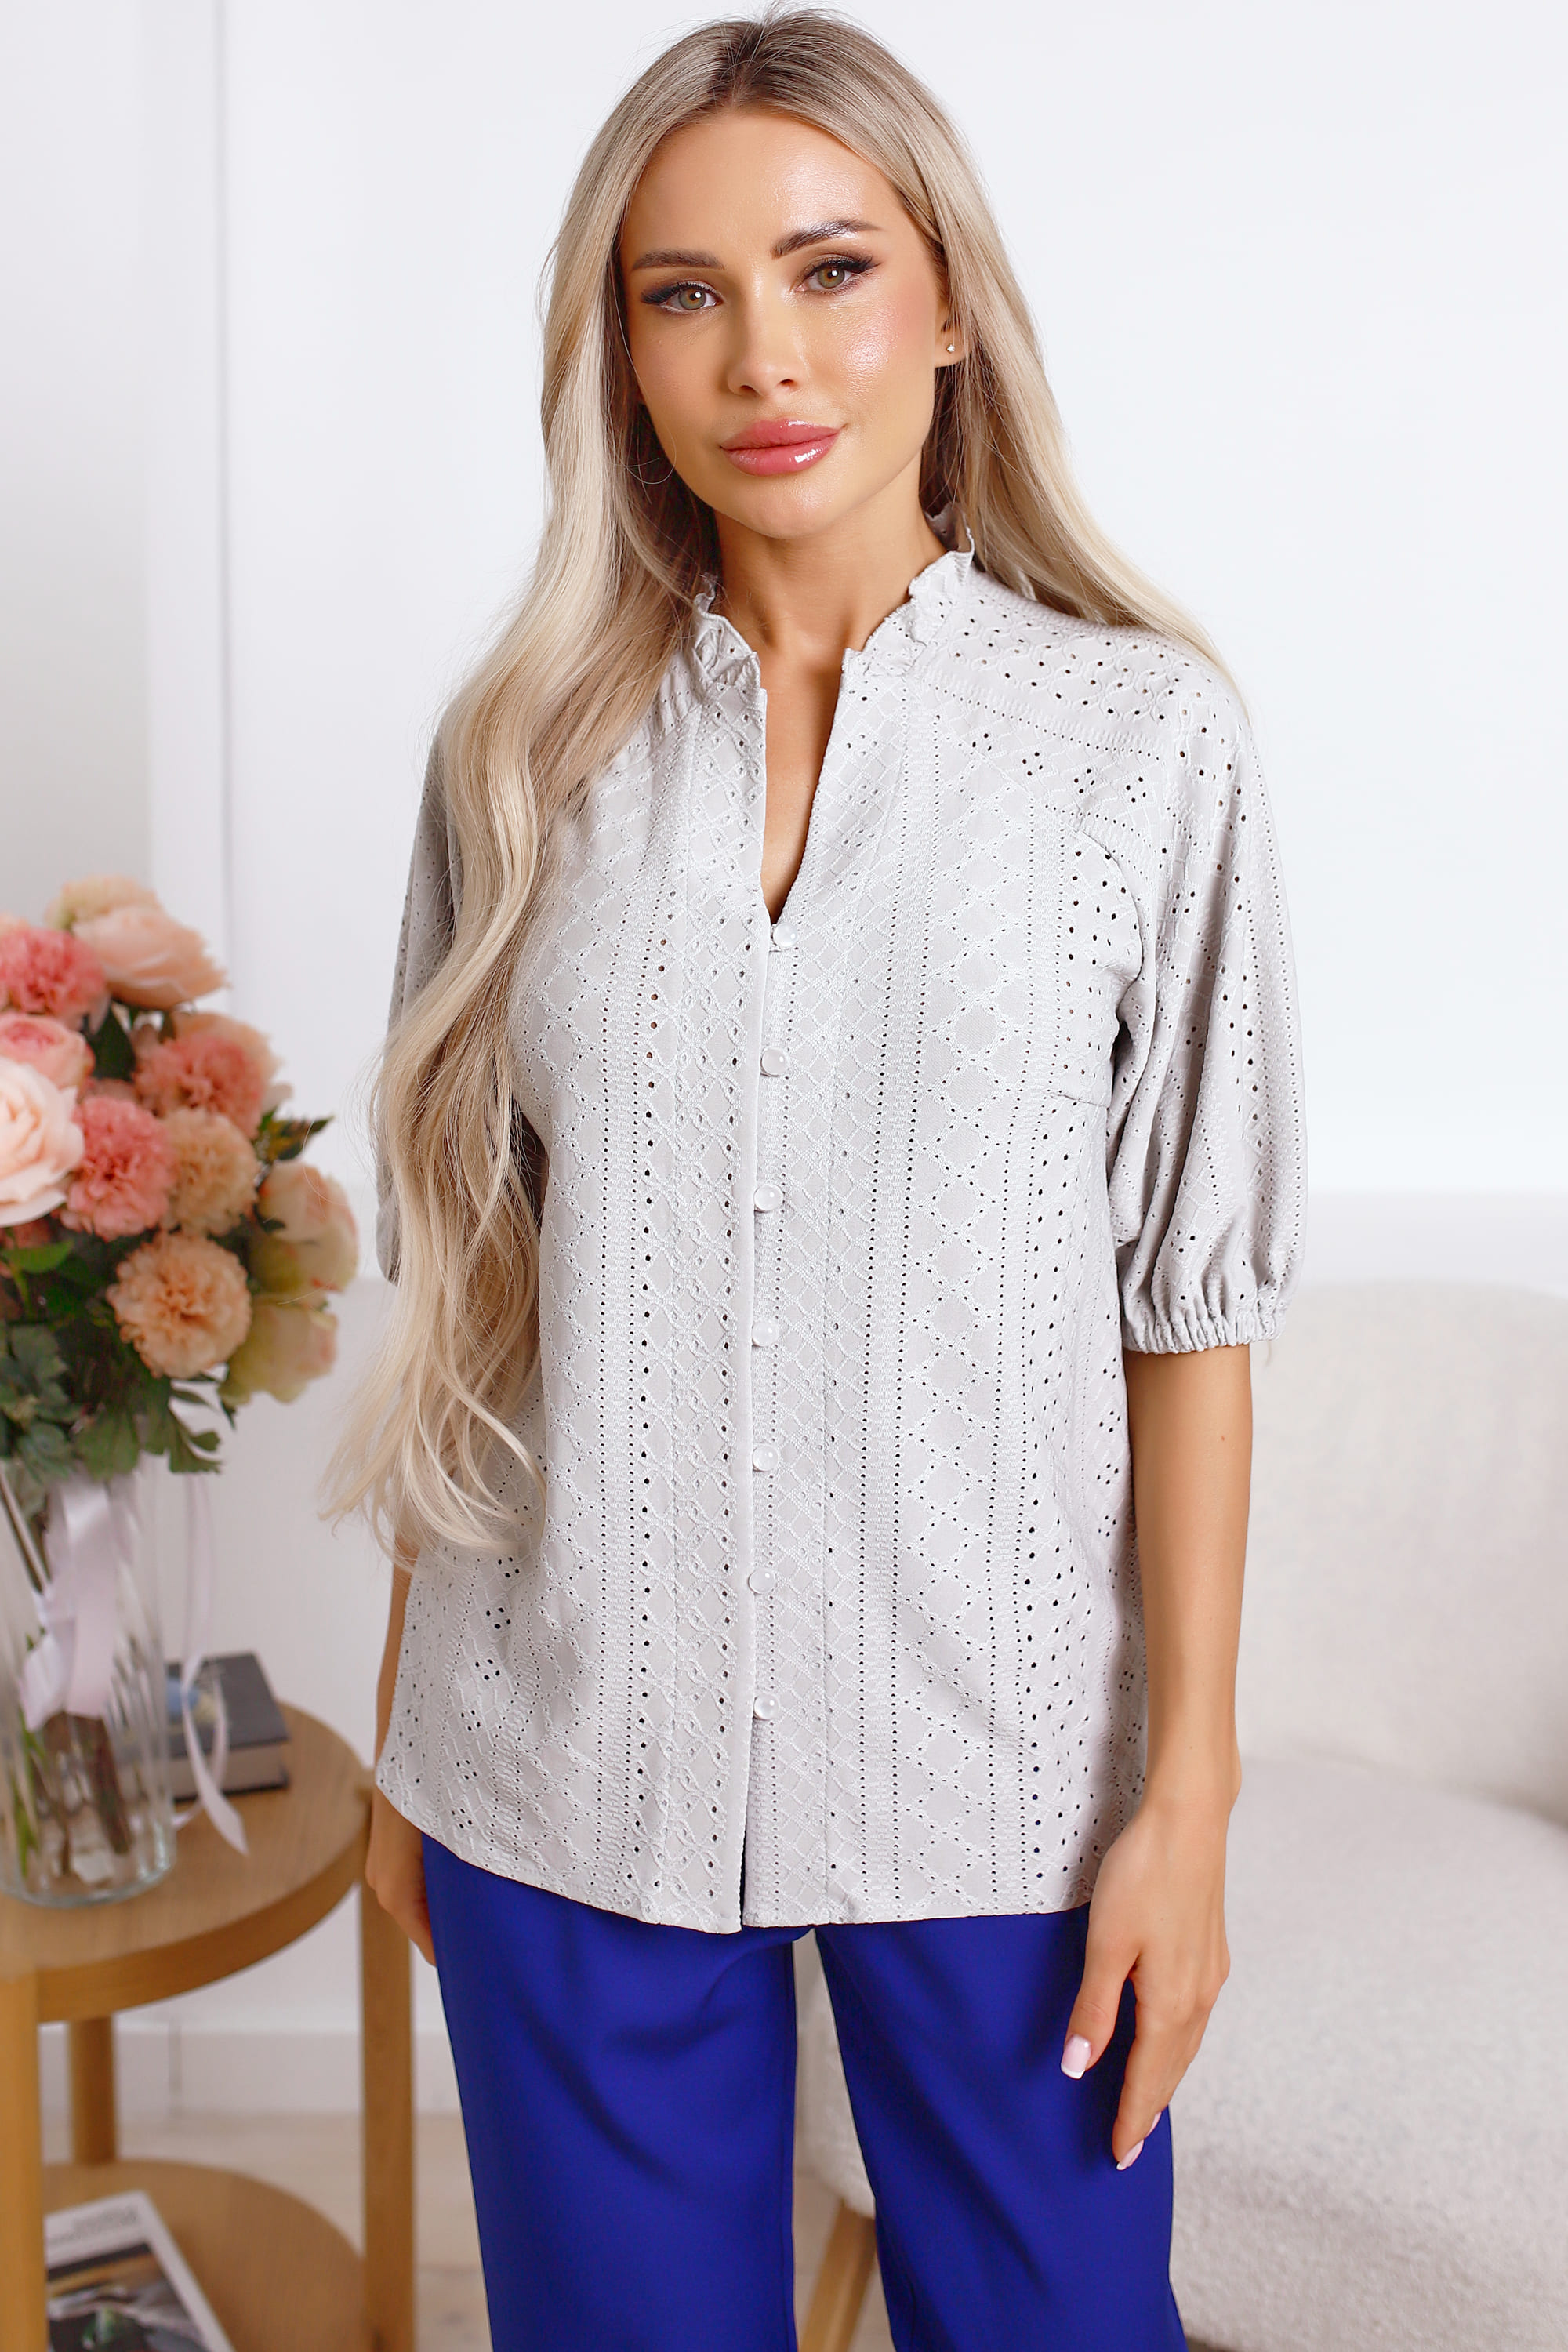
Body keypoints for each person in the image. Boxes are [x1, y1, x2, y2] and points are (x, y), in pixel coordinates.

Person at [322, 10, 1307, 2347]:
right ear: (620, 349)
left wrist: (1189, 1799)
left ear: (950, 301)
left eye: (831, 269)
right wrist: (417, 1730)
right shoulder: (518, 757)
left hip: (1001, 1784)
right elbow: (485, 1287)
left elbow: (1190, 1313)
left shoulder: (1141, 745)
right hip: (564, 1761)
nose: (762, 356)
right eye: (683, 293)